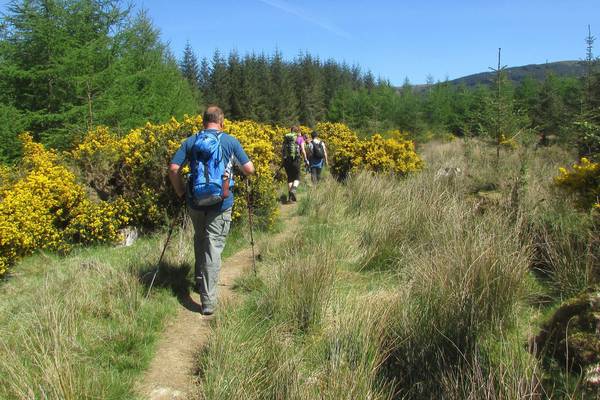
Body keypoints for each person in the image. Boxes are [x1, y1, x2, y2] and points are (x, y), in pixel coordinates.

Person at [168, 106, 255, 315]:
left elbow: (173, 168)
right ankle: (208, 301)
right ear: (221, 121)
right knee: (213, 247)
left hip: (195, 201)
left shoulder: (191, 141)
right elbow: (250, 169)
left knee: (200, 239)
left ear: (203, 121)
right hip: (221, 203)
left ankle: (199, 282)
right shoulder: (229, 141)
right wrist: (237, 169)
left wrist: (180, 191)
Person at [282, 126, 308, 202]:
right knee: (297, 177)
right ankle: (294, 189)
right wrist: (306, 159)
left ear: (291, 131)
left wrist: (282, 161)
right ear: (297, 132)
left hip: (287, 161)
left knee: (290, 178)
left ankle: (290, 197)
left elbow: (282, 151)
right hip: (296, 160)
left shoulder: (286, 139)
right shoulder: (300, 138)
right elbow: (303, 150)